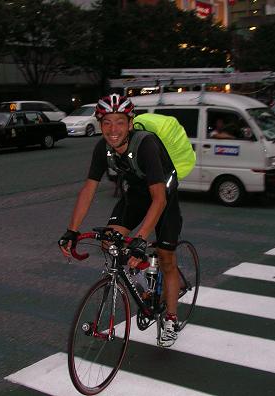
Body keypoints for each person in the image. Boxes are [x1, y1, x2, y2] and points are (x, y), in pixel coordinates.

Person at [58, 93, 183, 347]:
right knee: (109, 241)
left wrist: (140, 238)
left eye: (120, 122)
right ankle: (144, 282)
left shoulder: (145, 144)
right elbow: (89, 189)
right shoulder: (101, 148)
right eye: (107, 123)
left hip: (162, 194)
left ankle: (171, 319)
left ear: (130, 123)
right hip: (136, 194)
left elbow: (158, 199)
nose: (113, 130)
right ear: (100, 124)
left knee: (167, 257)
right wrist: (71, 231)